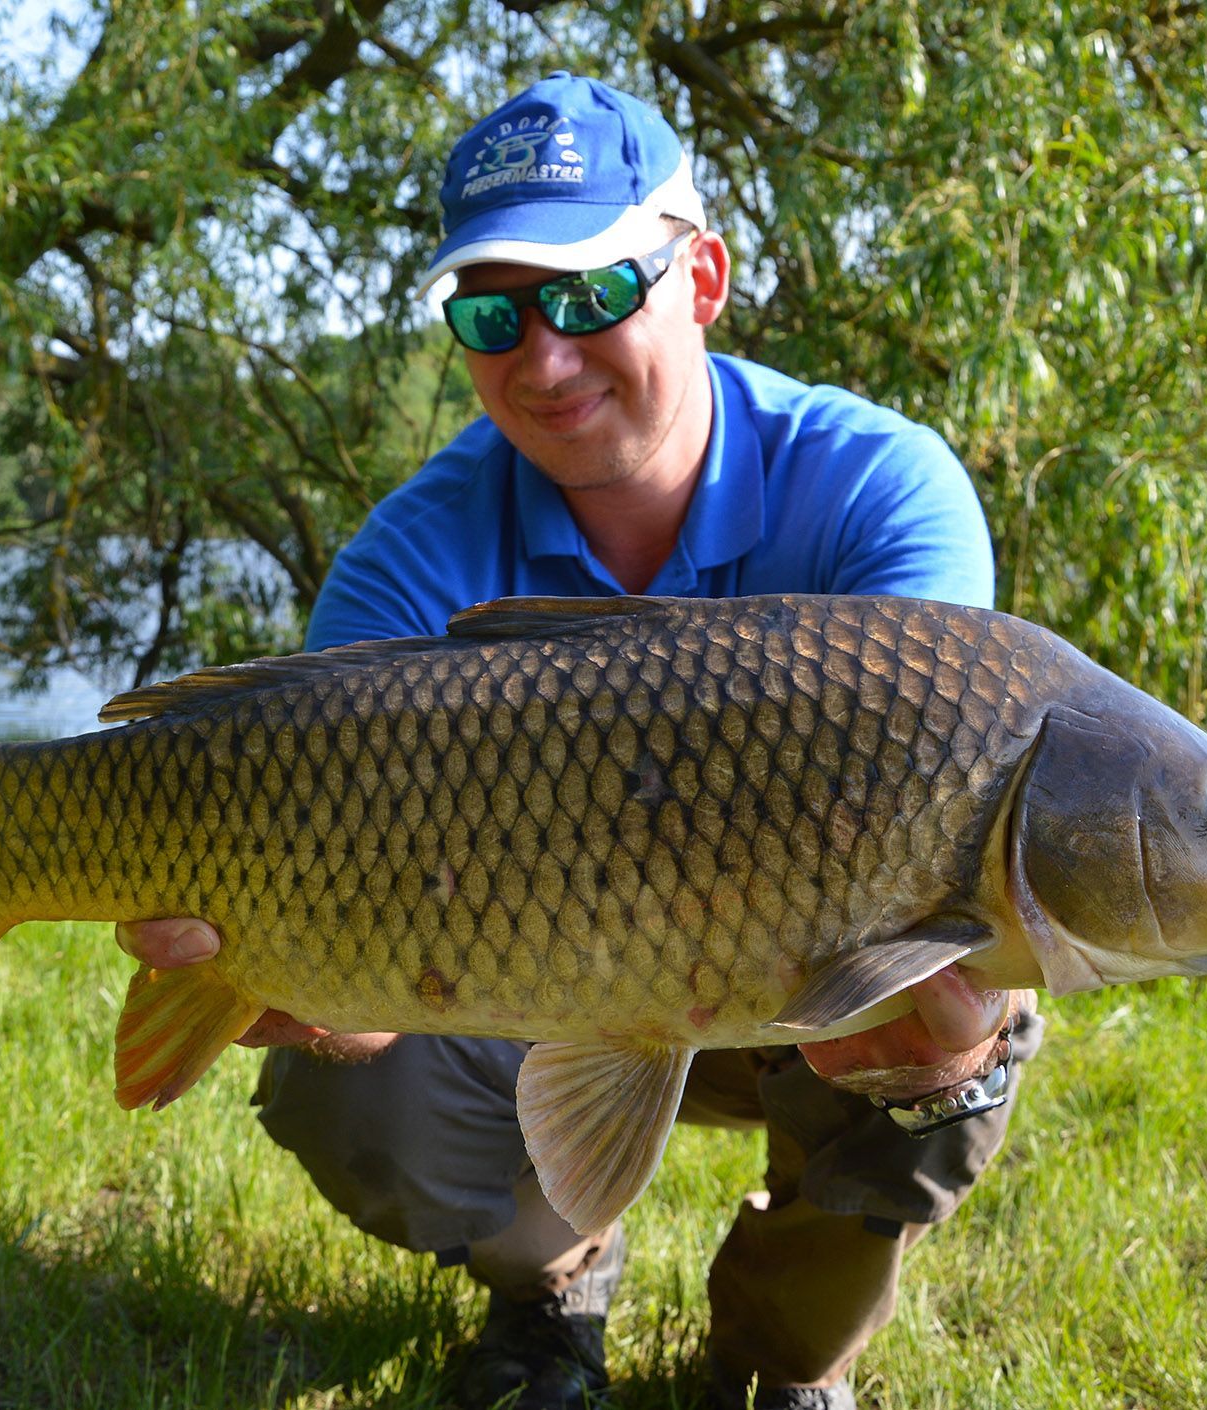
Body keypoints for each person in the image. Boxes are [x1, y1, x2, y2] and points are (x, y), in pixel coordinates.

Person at [120, 72, 1043, 1410]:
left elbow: (931, 819)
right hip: (534, 979)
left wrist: (950, 1040)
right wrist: (320, 992)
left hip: (807, 980)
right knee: (342, 1090)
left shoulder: (879, 491)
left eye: (591, 293)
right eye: (492, 313)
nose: (542, 358)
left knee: (955, 1009)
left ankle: (784, 1356)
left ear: (703, 277)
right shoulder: (409, 563)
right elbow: (325, 927)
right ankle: (552, 1276)